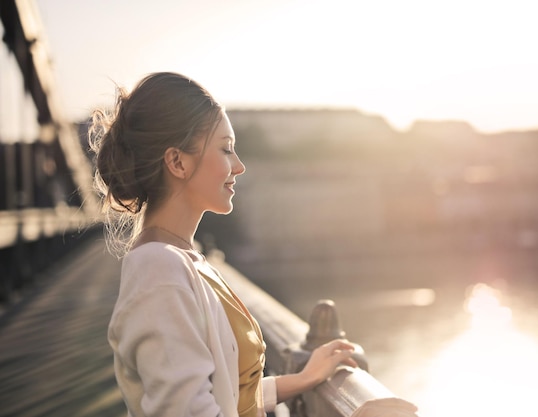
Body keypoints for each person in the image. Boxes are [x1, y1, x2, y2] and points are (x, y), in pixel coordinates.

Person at [89, 72, 357, 417]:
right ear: (177, 162)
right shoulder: (158, 269)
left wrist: (304, 379)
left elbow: (222, 396)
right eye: (226, 149)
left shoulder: (183, 259)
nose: (239, 166)